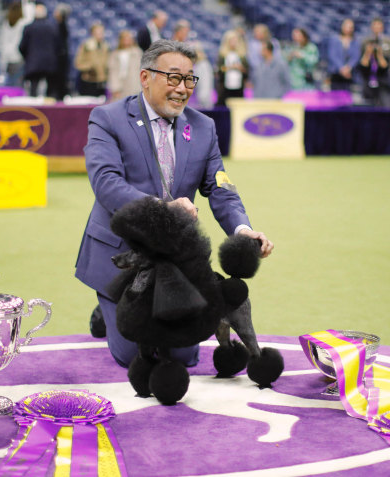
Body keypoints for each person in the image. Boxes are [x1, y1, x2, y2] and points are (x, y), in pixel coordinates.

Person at [75, 39, 274, 368]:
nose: (182, 88)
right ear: (145, 78)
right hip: (124, 257)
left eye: (189, 79)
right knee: (132, 357)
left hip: (177, 258)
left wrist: (243, 230)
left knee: (184, 356)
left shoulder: (203, 127)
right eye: (173, 77)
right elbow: (106, 183)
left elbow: (220, 186)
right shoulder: (107, 118)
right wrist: (161, 209)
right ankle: (107, 303)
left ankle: (110, 310)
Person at [18, 3, 59, 97]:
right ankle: (52, 111)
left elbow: (22, 46)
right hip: (50, 63)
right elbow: (59, 46)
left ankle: (34, 111)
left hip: (34, 63)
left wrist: (28, 57)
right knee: (51, 91)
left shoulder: (28, 28)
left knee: (33, 90)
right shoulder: (53, 27)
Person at [358, 17, 390, 107]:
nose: (377, 29)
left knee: (386, 107)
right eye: (375, 26)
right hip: (368, 80)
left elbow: (389, 64)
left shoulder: (389, 42)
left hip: (383, 81)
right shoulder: (365, 42)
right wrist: (368, 52)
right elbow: (362, 64)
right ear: (371, 27)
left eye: (379, 26)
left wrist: (379, 54)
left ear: (382, 27)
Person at [74, 22, 109, 97]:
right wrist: (89, 67)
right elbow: (78, 62)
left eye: (101, 32)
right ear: (92, 33)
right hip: (89, 80)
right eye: (97, 32)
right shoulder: (86, 46)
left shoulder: (106, 46)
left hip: (101, 80)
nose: (100, 34)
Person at [0, 2, 29, 88]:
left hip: (8, 57)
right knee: (18, 85)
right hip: (18, 57)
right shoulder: (23, 24)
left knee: (11, 85)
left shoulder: (6, 24)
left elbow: (3, 42)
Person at [107, 30, 143, 101]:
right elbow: (113, 72)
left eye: (129, 38)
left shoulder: (137, 53)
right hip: (120, 86)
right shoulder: (115, 54)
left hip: (134, 86)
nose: (127, 41)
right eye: (125, 38)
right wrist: (115, 88)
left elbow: (141, 69)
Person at [216, 29, 249, 105]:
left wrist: (240, 68)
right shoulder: (222, 55)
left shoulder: (242, 56)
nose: (234, 43)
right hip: (225, 89)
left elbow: (247, 71)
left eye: (235, 40)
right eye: (231, 40)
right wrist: (229, 67)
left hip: (239, 88)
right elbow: (219, 70)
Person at [327, 18, 360, 91]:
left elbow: (355, 57)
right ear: (342, 27)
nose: (349, 29)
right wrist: (341, 68)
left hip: (349, 74)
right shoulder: (334, 40)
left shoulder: (355, 42)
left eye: (351, 27)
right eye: (347, 26)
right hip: (336, 73)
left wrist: (349, 68)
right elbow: (332, 55)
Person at [51, 3, 72, 99]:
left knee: (60, 83)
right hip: (60, 59)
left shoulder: (61, 26)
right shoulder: (59, 26)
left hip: (60, 60)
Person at [192, 42, 214, 108]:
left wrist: (203, 98)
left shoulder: (203, 65)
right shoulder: (199, 65)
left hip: (204, 99)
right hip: (201, 98)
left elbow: (205, 83)